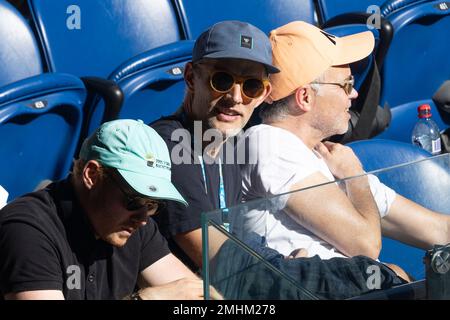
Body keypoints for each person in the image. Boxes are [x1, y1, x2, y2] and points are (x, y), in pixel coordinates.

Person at [239, 21, 450, 265]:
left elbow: (438, 231)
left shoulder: (328, 158)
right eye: (347, 84)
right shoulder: (267, 142)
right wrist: (356, 177)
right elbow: (365, 245)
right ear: (305, 97)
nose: (354, 94)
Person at [0, 119, 209, 300]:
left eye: (152, 204)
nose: (144, 218)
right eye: (135, 199)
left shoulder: (131, 222)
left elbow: (190, 293)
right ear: (92, 175)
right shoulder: (27, 230)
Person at [151, 20, 277, 270]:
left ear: (264, 94)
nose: (235, 98)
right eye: (221, 80)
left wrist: (280, 260)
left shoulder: (229, 143)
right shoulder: (167, 146)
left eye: (251, 86)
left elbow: (237, 241)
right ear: (190, 78)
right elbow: (217, 260)